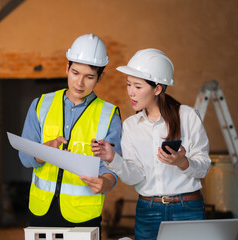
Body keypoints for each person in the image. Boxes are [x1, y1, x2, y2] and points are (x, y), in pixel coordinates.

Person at [91, 48, 211, 240]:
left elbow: (204, 168)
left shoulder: (187, 116)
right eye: (129, 84)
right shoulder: (130, 126)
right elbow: (135, 176)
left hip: (187, 209)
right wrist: (113, 158)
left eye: (138, 87)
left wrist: (182, 162)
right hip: (148, 211)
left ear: (157, 89)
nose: (131, 92)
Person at [18, 34, 122, 236]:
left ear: (100, 78)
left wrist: (107, 182)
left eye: (89, 77)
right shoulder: (40, 104)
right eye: (75, 72)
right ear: (66, 68)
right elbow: (24, 158)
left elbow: (114, 166)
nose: (80, 83)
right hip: (41, 210)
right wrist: (42, 152)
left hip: (84, 215)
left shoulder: (109, 114)